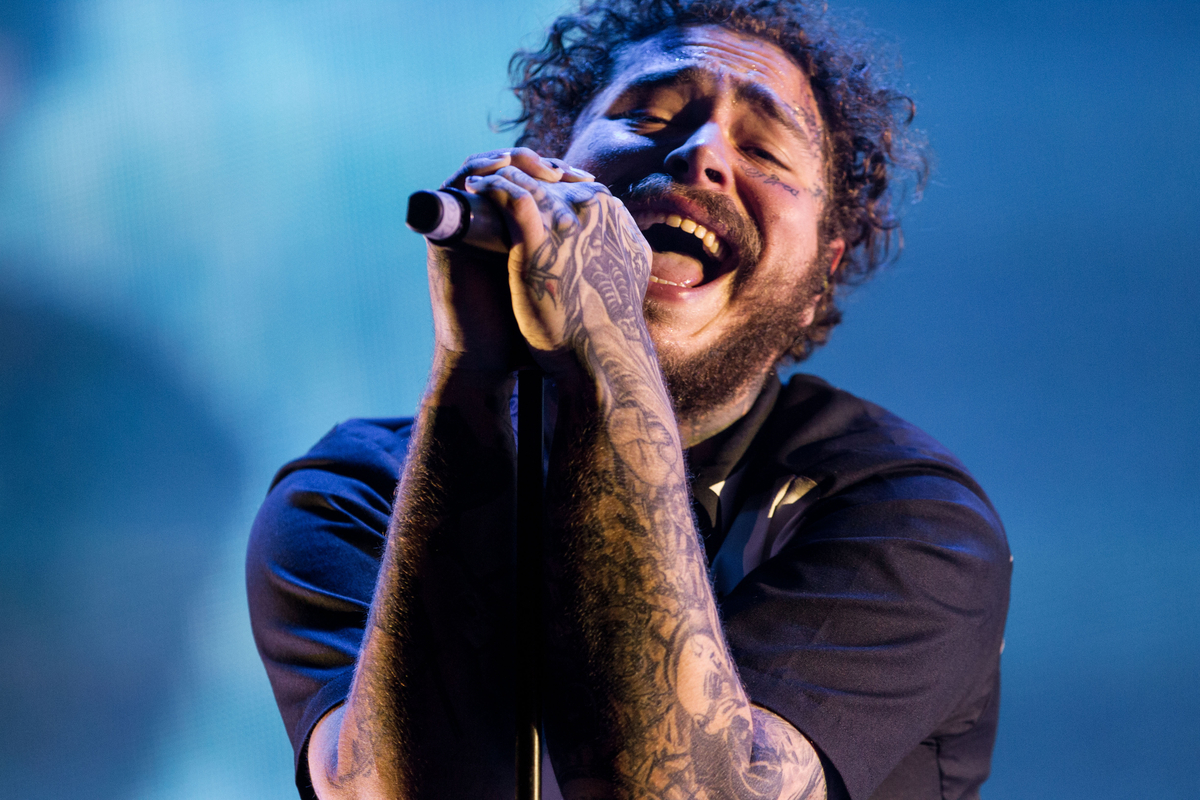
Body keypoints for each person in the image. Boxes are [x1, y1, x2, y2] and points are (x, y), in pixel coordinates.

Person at [246, 1, 1012, 799]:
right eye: (646, 115)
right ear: (545, 178)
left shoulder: (909, 518)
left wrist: (604, 344)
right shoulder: (356, 494)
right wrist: (474, 373)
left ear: (823, 274)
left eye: (765, 149)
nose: (702, 153)